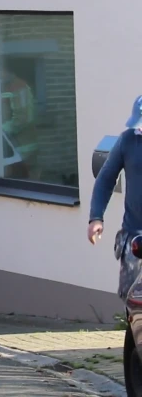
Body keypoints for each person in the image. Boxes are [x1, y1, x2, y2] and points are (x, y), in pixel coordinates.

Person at [89, 95, 142, 300]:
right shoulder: (127, 140)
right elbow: (105, 179)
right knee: (132, 301)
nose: (139, 130)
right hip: (135, 240)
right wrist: (96, 217)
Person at [0, 63, 39, 179]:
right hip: (9, 150)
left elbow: (23, 118)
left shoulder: (18, 86)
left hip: (23, 149)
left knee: (24, 184)